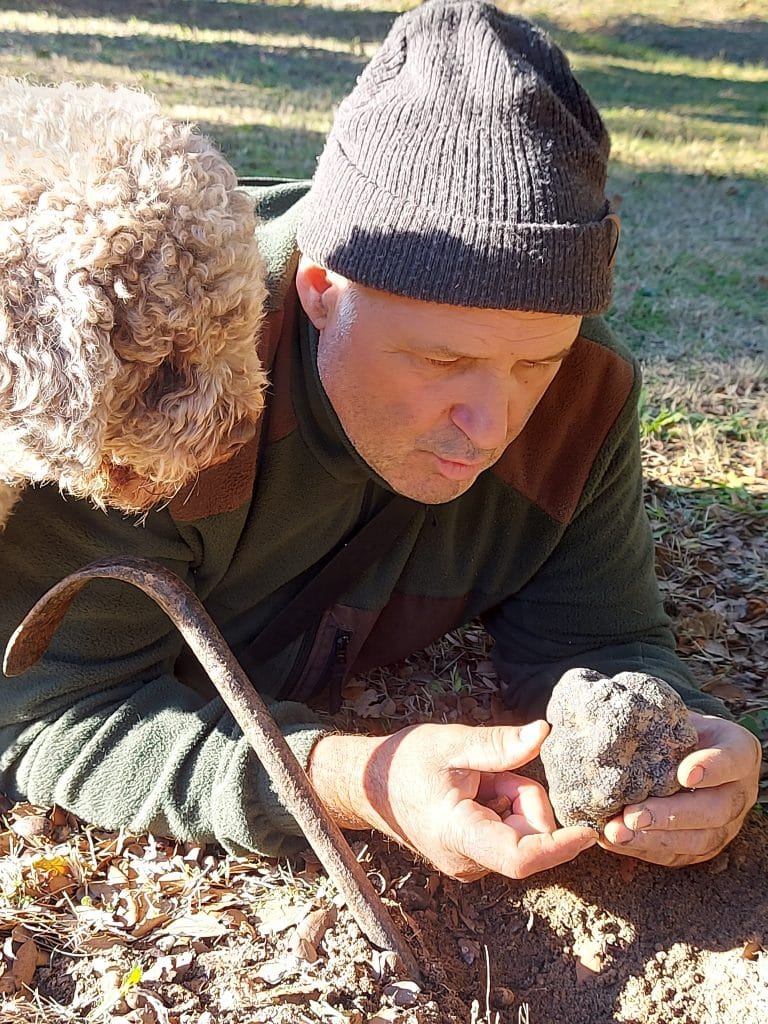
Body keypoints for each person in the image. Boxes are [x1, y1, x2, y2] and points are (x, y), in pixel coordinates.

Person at [0, 1, 760, 882]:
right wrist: (355, 781)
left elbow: (599, 637)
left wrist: (691, 750)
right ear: (322, 289)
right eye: (442, 359)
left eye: (534, 362)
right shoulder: (142, 375)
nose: (492, 424)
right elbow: (51, 712)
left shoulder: (584, 392)